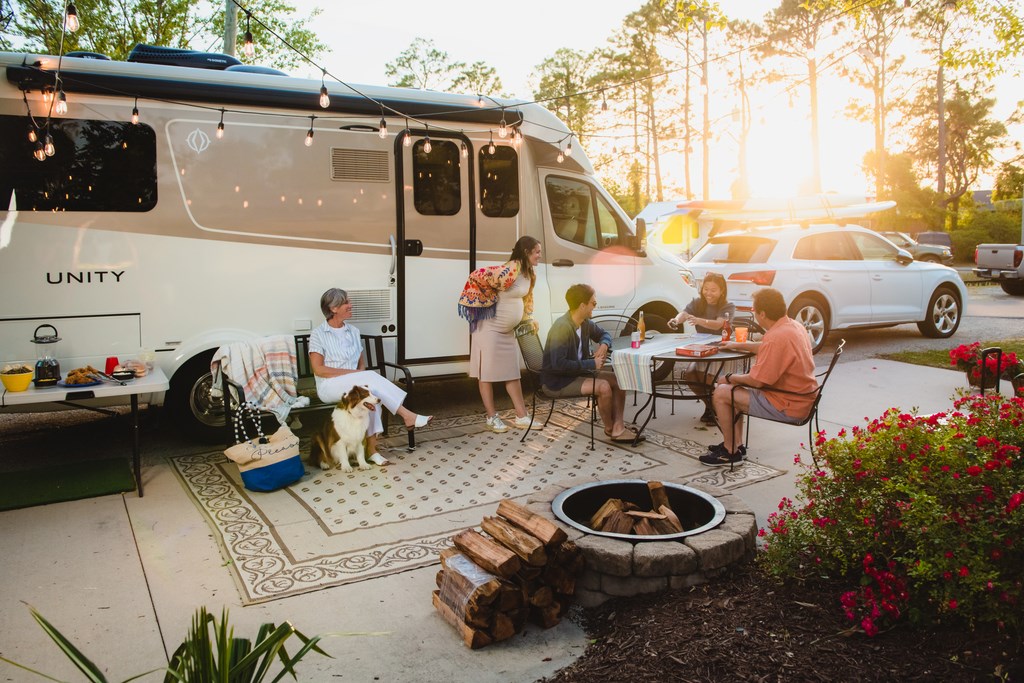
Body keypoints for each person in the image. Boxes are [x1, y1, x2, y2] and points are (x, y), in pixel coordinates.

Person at [309, 288, 431, 465]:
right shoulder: (318, 334)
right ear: (333, 308)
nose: (351, 305)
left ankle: (372, 451)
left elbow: (361, 365)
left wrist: (359, 377)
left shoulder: (353, 331)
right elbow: (319, 369)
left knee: (372, 394)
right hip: (329, 386)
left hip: (354, 383)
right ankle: (406, 415)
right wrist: (356, 375)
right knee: (370, 381)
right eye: (346, 303)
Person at [700, 287, 817, 466]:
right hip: (801, 397)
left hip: (788, 404)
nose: (754, 314)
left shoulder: (776, 337)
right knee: (731, 390)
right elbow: (768, 346)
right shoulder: (793, 326)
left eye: (754, 310)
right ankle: (736, 445)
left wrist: (730, 377)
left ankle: (730, 452)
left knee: (723, 392)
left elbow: (758, 381)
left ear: (762, 313)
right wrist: (738, 345)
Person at [458, 236, 541, 433]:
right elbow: (477, 275)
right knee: (486, 374)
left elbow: (527, 299)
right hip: (490, 329)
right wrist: (481, 302)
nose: (539, 255)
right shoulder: (510, 270)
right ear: (527, 252)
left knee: (512, 373)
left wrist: (529, 318)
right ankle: (491, 417)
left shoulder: (529, 274)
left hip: (507, 332)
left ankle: (521, 416)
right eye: (537, 252)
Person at [541, 283, 637, 442]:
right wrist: (590, 364)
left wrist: (604, 344)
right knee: (604, 387)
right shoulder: (562, 327)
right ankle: (609, 429)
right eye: (593, 303)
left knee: (620, 380)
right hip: (558, 382)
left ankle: (618, 427)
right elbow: (558, 365)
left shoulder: (584, 323)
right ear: (582, 305)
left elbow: (604, 334)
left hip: (578, 374)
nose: (595, 307)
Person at [668, 273, 737, 424]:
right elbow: (685, 313)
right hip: (701, 348)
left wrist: (699, 320)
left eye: (713, 290)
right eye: (706, 289)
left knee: (708, 376)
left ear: (722, 291)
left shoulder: (728, 306)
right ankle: (711, 406)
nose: (708, 293)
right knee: (690, 375)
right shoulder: (698, 302)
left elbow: (719, 324)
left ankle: (717, 408)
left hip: (722, 349)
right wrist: (676, 320)